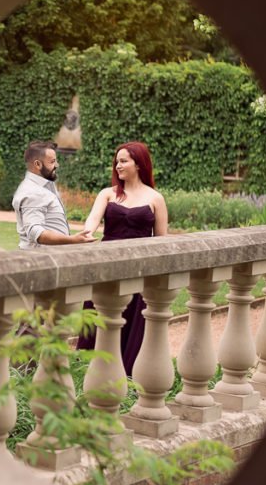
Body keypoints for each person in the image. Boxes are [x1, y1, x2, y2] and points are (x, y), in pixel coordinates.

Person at [76, 142, 168, 375]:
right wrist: (84, 235)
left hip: (140, 269)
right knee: (100, 318)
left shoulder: (156, 198)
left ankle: (126, 376)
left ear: (139, 163)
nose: (118, 165)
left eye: (124, 161)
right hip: (107, 266)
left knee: (131, 323)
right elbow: (92, 223)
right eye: (117, 161)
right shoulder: (107, 194)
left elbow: (162, 242)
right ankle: (91, 373)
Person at [12, 140, 95, 248]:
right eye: (52, 162)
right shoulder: (33, 192)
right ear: (37, 164)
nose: (57, 165)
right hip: (41, 260)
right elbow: (35, 232)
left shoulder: (44, 184)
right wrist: (71, 240)